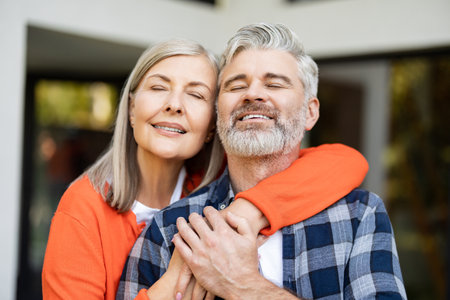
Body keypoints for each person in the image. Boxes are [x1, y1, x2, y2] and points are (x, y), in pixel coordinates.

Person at [42, 39, 367, 299]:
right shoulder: (83, 208)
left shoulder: (221, 181)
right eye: (158, 87)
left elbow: (347, 162)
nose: (174, 104)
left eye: (196, 94)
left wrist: (247, 213)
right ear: (130, 108)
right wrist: (176, 280)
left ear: (213, 122)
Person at [118, 23, 406, 300]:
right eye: (235, 85)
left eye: (274, 84)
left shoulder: (359, 216)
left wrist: (244, 286)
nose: (253, 94)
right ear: (218, 112)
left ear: (310, 112)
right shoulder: (170, 229)